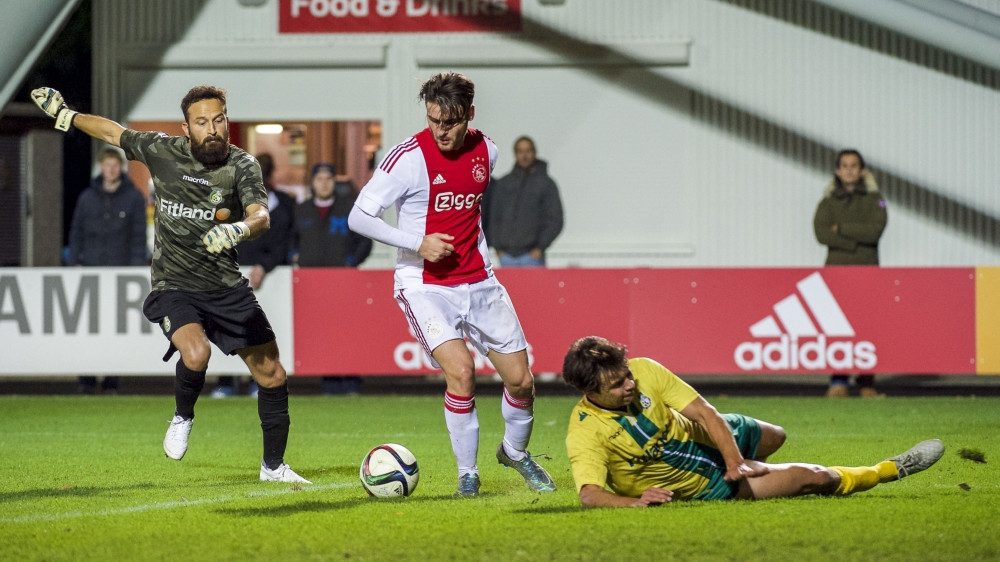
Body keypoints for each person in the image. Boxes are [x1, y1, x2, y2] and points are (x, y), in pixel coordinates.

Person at [31, 85, 309, 483]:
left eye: (218, 120)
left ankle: (274, 468)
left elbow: (260, 215)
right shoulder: (163, 150)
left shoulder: (242, 164)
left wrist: (237, 231)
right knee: (195, 354)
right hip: (173, 284)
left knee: (273, 375)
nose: (212, 129)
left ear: (226, 121)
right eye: (201, 122)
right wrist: (67, 115)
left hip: (226, 286)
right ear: (187, 127)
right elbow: (113, 133)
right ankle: (182, 415)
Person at [348, 72, 556, 496]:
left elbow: (471, 213)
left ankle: (515, 453)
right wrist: (417, 243)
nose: (440, 130)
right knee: (461, 372)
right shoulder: (407, 157)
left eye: (450, 122)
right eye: (433, 120)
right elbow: (359, 216)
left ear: (469, 116)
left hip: (480, 281)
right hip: (424, 286)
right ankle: (468, 474)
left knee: (521, 382)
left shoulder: (489, 151)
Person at [561, 336, 943, 507]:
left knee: (777, 436)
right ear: (590, 390)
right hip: (702, 484)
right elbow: (589, 494)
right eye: (618, 384)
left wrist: (735, 462)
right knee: (813, 477)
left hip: (710, 434)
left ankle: (756, 463)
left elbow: (706, 413)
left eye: (627, 374)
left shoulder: (644, 369)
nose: (630, 383)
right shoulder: (585, 430)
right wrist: (633, 502)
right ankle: (889, 469)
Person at [211, 152, 296, 399]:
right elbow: (219, 235)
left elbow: (284, 242)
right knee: (228, 329)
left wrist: (264, 265)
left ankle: (256, 381)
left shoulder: (281, 205)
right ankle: (226, 381)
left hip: (266, 279)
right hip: (232, 274)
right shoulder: (228, 201)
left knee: (258, 332)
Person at [67, 147, 148, 394]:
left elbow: (137, 237)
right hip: (90, 271)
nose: (111, 170)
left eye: (115, 165)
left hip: (119, 272)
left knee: (115, 326)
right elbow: (76, 232)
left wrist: (134, 270)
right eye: (107, 165)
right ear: (101, 167)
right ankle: (87, 378)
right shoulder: (87, 198)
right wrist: (75, 262)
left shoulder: (133, 197)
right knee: (87, 327)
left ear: (120, 168)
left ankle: (111, 379)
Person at [813, 149, 888, 398]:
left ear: (862, 170)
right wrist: (855, 242)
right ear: (837, 170)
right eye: (844, 165)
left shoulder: (875, 199)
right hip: (837, 272)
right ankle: (839, 380)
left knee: (868, 325)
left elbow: (875, 231)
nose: (849, 170)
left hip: (867, 270)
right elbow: (821, 233)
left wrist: (842, 230)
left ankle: (867, 382)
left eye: (854, 165)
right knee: (838, 327)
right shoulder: (828, 202)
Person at [293, 162, 372, 395]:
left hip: (343, 282)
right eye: (320, 179)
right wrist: (294, 256)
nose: (325, 183)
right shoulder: (302, 210)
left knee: (348, 330)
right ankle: (329, 380)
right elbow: (290, 239)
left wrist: (352, 261)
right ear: (312, 183)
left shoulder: (350, 208)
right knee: (322, 332)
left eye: (329, 179)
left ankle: (351, 380)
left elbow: (365, 240)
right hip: (312, 283)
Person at [482, 135, 563, 267]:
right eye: (520, 151)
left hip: (533, 257)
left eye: (528, 151)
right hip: (506, 257)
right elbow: (494, 217)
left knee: (536, 289)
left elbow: (555, 219)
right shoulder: (503, 184)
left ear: (534, 153)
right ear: (515, 154)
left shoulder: (546, 184)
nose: (524, 155)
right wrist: (498, 248)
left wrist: (540, 247)